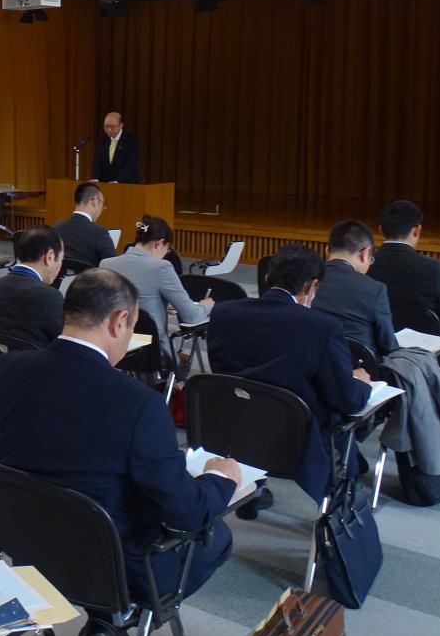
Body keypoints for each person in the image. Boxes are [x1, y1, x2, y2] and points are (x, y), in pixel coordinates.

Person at [0, 268, 239, 636]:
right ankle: (118, 617)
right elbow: (186, 512)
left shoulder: (6, 369)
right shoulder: (137, 403)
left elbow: (3, 451)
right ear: (120, 321)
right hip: (113, 565)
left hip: (27, 546)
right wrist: (222, 479)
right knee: (220, 535)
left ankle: (107, 621)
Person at [208, 244, 372, 518]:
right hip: (296, 442)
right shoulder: (321, 327)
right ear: (312, 286)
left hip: (233, 430)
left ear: (269, 277)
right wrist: (362, 383)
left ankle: (254, 490)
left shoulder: (224, 313)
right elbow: (347, 399)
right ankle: (342, 517)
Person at [99, 215, 211, 365]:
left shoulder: (106, 264)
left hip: (113, 347)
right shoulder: (161, 267)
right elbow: (192, 316)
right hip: (151, 352)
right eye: (167, 249)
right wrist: (207, 305)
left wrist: (161, 306)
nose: (166, 255)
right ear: (159, 244)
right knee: (182, 357)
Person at [367, 199, 440, 335]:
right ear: (417, 231)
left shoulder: (366, 264)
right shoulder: (435, 268)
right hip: (427, 351)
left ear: (380, 230)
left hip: (377, 346)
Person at [313, 219, 398, 358]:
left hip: (310, 365)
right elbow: (388, 346)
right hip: (359, 371)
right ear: (364, 254)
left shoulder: (306, 282)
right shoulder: (375, 289)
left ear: (327, 250)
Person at [0, 225, 64, 347]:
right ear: (49, 257)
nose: (60, 266)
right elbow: (66, 342)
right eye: (61, 259)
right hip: (36, 365)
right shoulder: (49, 297)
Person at [54, 182, 116, 267]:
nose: (101, 210)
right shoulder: (99, 233)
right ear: (94, 201)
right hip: (88, 280)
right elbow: (113, 267)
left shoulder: (55, 228)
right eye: (103, 205)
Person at [91, 111, 140, 184]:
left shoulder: (130, 140)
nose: (109, 130)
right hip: (106, 185)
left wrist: (117, 181)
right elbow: (98, 162)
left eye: (112, 127)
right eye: (106, 126)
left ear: (121, 125)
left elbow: (130, 164)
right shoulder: (103, 140)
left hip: (126, 185)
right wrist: (96, 179)